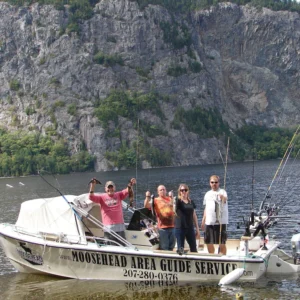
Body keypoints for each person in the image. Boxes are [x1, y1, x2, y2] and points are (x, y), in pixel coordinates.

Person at [89, 178, 136, 245]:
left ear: (114, 188)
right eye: (108, 188)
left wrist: (131, 183)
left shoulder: (119, 195)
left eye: (112, 187)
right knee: (110, 246)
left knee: (123, 246)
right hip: (108, 228)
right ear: (105, 189)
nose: (110, 189)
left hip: (120, 226)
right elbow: (91, 197)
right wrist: (92, 186)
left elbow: (128, 190)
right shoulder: (101, 197)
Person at [201, 175, 228, 255]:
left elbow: (225, 199)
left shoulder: (223, 192)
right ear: (210, 183)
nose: (214, 184)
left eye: (216, 182)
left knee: (222, 242)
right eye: (212, 182)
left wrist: (222, 197)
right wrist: (203, 220)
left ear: (218, 183)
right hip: (209, 222)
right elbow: (206, 207)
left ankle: (222, 257)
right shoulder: (207, 194)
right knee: (208, 242)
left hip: (220, 222)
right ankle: (212, 256)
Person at [144, 185, 175, 251]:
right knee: (164, 248)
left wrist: (171, 197)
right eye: (161, 190)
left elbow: (175, 209)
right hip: (162, 228)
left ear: (166, 190)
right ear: (158, 192)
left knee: (172, 247)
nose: (163, 191)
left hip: (172, 227)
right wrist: (147, 197)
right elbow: (146, 205)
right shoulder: (155, 200)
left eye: (164, 189)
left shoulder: (170, 199)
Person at [175, 184, 200, 253]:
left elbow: (194, 215)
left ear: (188, 191)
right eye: (182, 190)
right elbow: (173, 206)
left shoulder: (191, 202)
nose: (184, 192)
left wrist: (197, 228)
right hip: (180, 227)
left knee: (194, 248)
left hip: (190, 227)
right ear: (179, 191)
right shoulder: (178, 201)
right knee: (180, 249)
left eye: (185, 190)